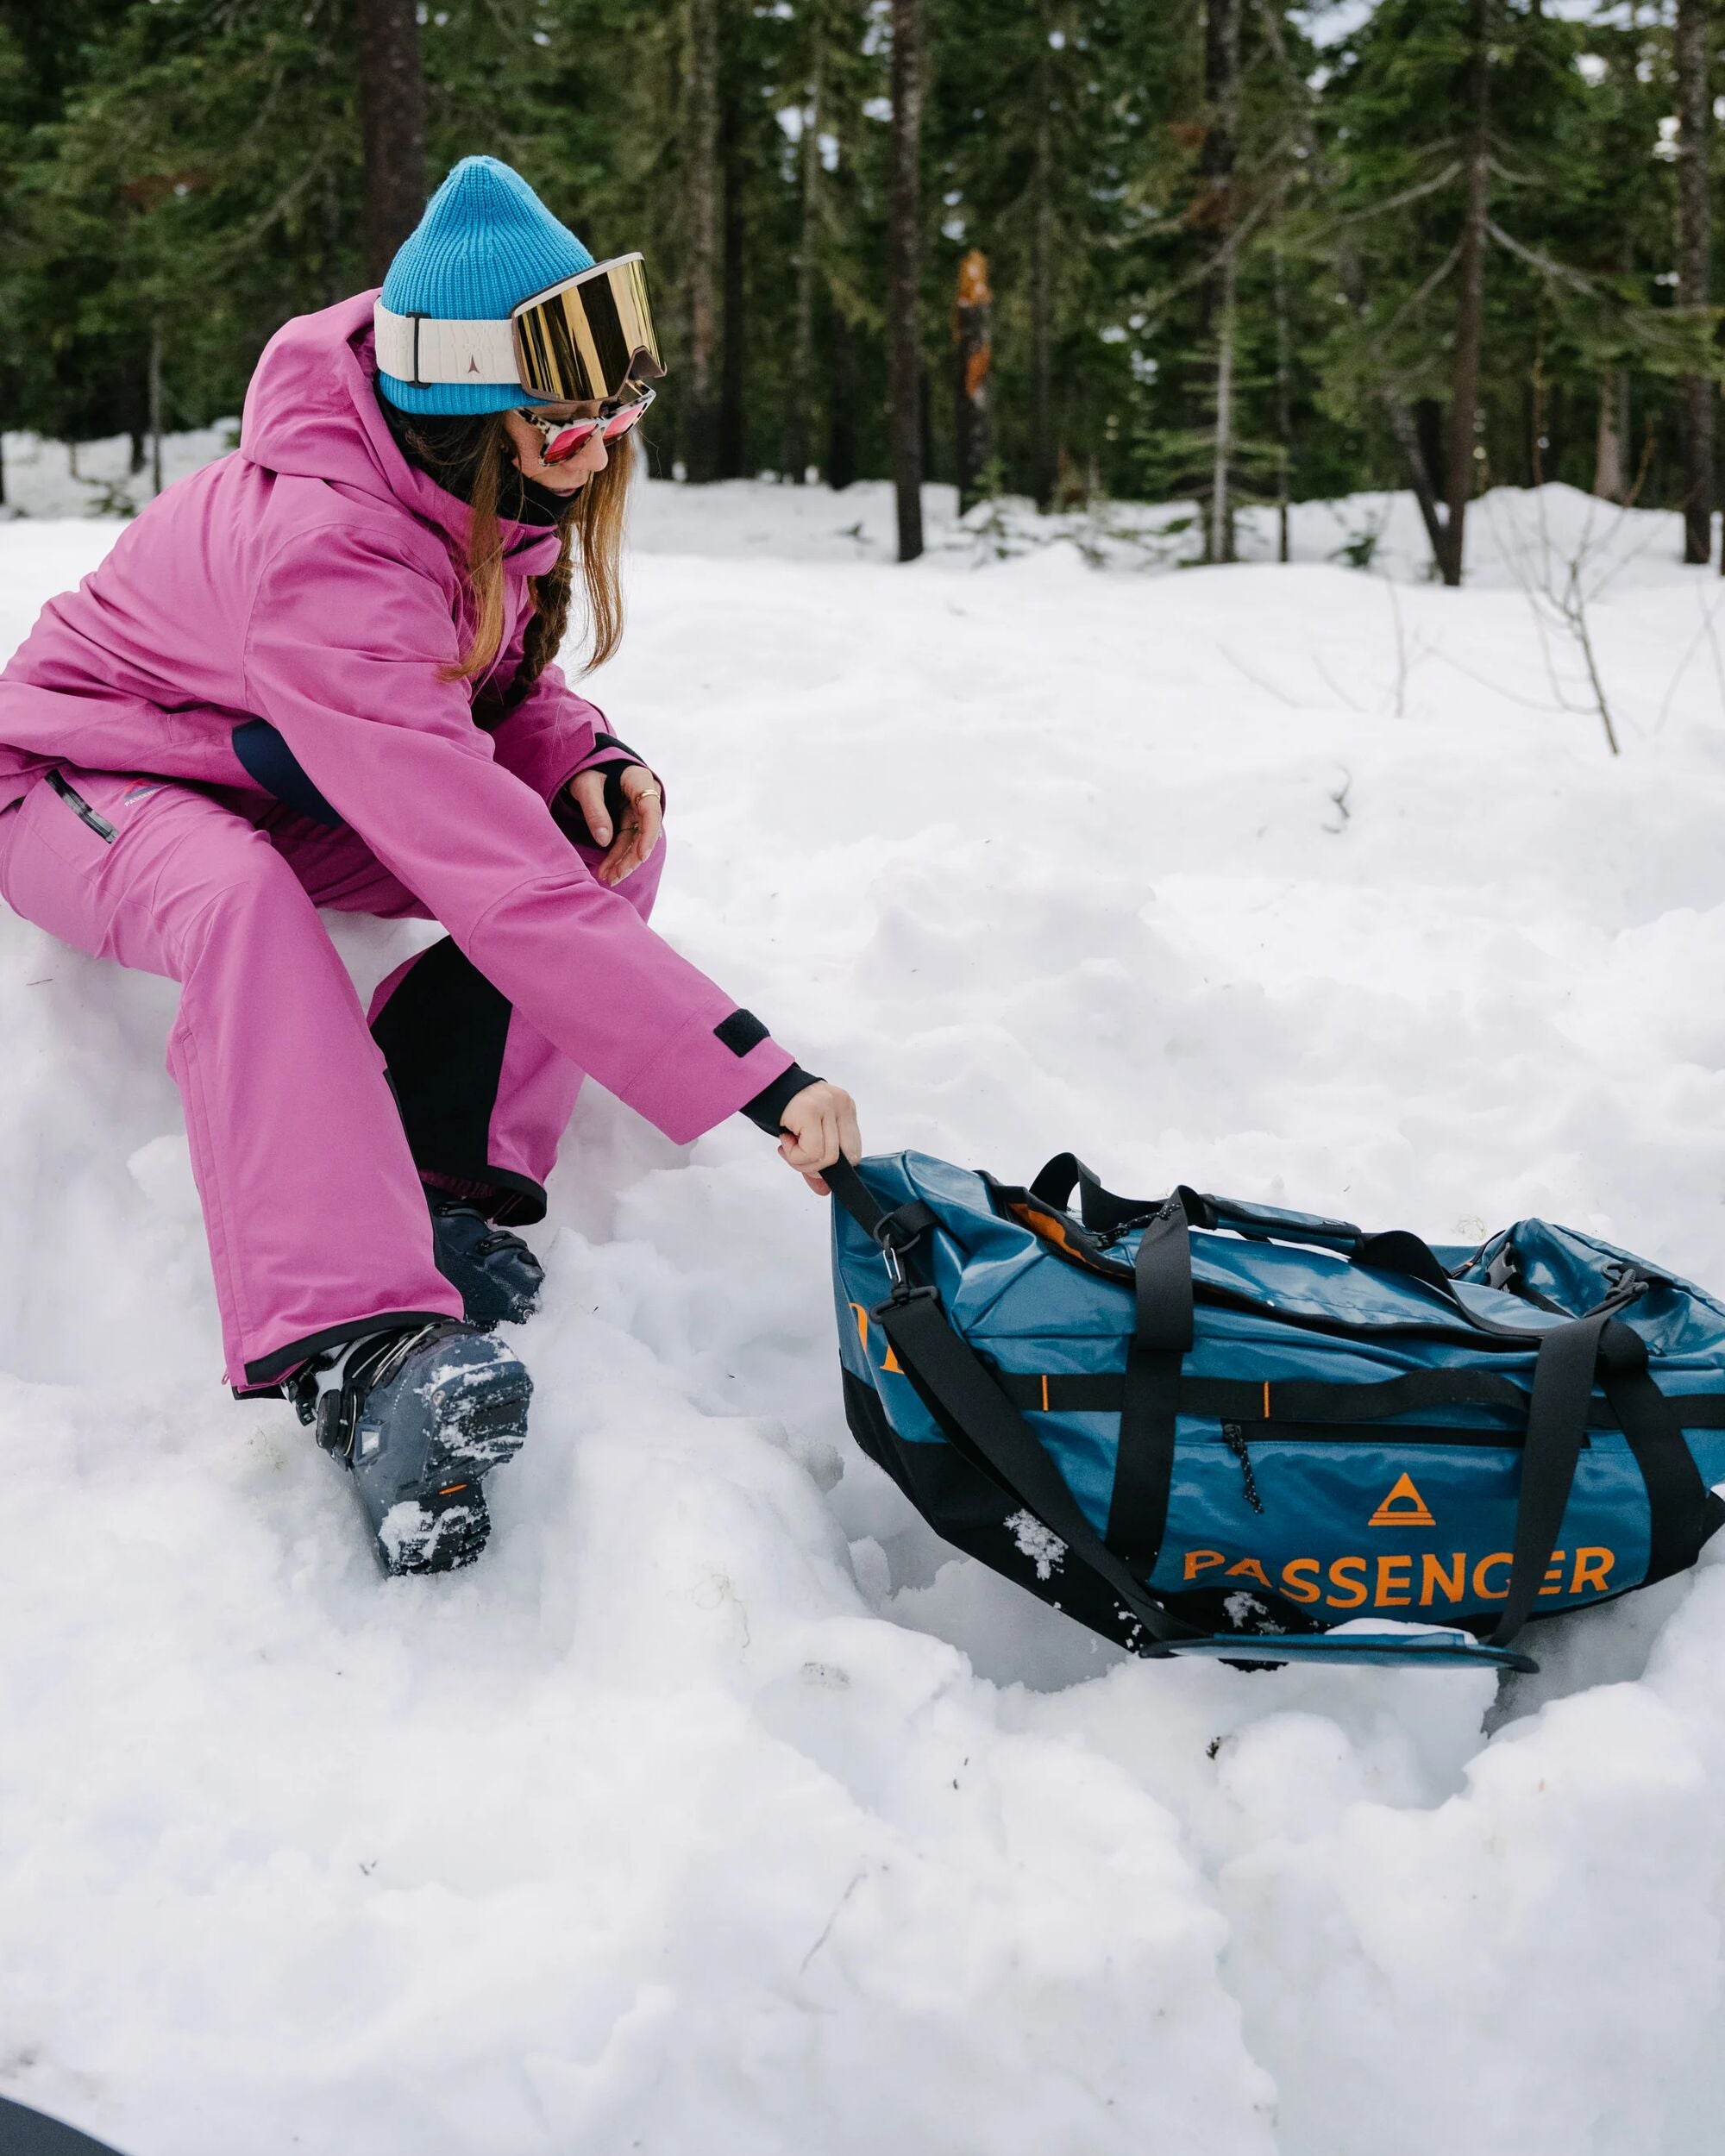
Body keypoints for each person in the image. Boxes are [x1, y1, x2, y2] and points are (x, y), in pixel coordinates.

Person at [0, 156, 860, 1575]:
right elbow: (481, 866)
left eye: (622, 410)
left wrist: (580, 750)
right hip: (82, 776)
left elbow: (480, 691)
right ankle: (356, 1346)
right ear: (473, 407)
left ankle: (440, 1177)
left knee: (590, 835)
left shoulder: (462, 480)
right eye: (574, 422)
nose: (605, 446)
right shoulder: (329, 544)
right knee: (242, 903)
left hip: (276, 763)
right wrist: (757, 1078)